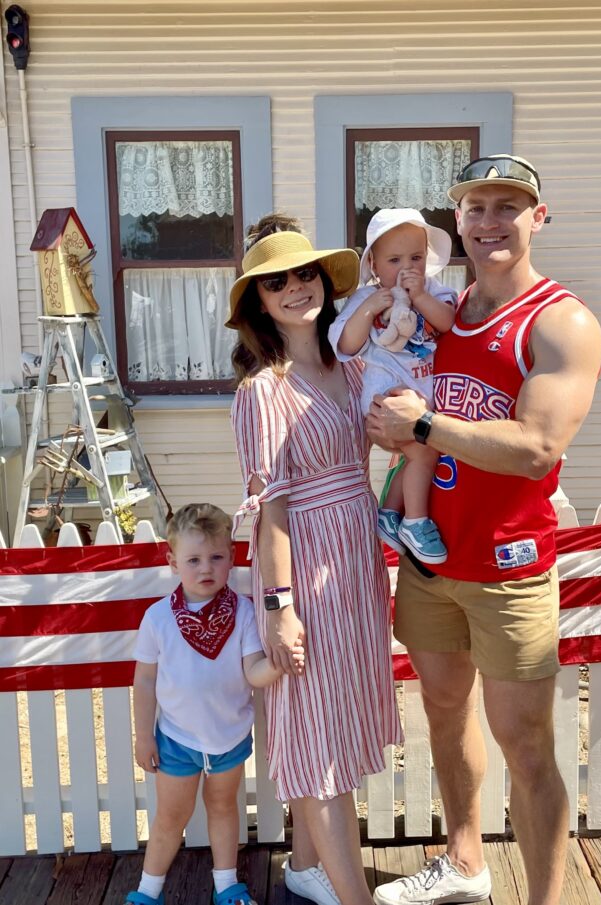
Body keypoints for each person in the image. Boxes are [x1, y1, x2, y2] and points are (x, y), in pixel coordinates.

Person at [368, 155, 601, 905]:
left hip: (510, 567)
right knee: (443, 710)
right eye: (476, 207)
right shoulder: (451, 307)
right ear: (457, 222)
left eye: (509, 206)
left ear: (540, 217)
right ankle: (465, 862)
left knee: (527, 745)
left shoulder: (561, 320)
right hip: (431, 558)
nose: (491, 221)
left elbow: (538, 444)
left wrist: (425, 422)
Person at [227, 215, 402, 905]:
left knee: (339, 719)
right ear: (259, 302)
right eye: (277, 281)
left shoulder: (350, 364)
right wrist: (280, 606)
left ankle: (306, 867)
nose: (297, 288)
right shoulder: (261, 390)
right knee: (318, 738)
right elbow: (271, 509)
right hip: (305, 569)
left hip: (356, 562)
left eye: (305, 274)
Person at [127, 503, 303, 905]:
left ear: (232, 558)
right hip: (175, 739)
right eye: (193, 559)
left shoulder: (243, 613)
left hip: (228, 736)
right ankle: (146, 892)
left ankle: (226, 886)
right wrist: (143, 736)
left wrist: (279, 663)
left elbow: (252, 671)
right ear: (173, 562)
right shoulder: (157, 619)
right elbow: (146, 680)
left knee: (223, 809)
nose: (205, 568)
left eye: (216, 557)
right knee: (171, 817)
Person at [328, 209, 457, 565]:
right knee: (424, 450)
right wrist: (369, 308)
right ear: (373, 263)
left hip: (421, 396)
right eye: (394, 259)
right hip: (384, 397)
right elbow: (347, 345)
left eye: (415, 258)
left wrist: (421, 299)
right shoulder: (365, 298)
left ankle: (389, 512)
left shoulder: (434, 291)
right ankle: (415, 521)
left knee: (416, 454)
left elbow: (447, 324)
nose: (406, 268)